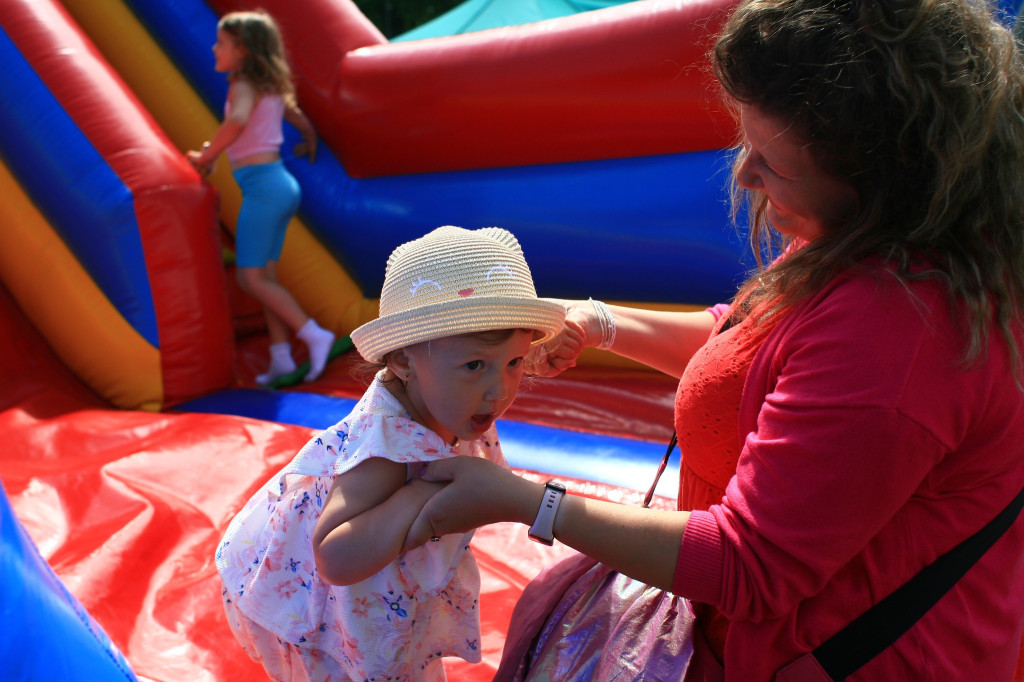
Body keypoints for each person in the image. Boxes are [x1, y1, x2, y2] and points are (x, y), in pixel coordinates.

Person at [402, 0, 1024, 679]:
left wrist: (524, 500)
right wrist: (597, 319)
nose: (744, 174)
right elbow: (748, 345)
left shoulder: (899, 331)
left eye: (772, 162)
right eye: (745, 140)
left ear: (883, 181)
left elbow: (748, 564)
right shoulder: (868, 239)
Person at [215, 226, 570, 681]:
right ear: (402, 362)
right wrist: (418, 496)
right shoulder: (388, 447)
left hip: (384, 588)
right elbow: (336, 556)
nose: (499, 390)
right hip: (319, 613)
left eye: (515, 363)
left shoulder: (453, 397)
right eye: (475, 366)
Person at [186, 10, 335, 385]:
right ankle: (281, 358)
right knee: (265, 277)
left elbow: (236, 121)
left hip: (264, 188)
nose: (214, 47)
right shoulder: (269, 86)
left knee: (251, 280)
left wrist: (207, 155)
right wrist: (309, 138)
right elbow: (295, 114)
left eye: (222, 43)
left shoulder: (244, 86)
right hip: (280, 185)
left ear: (244, 50)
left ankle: (314, 334)